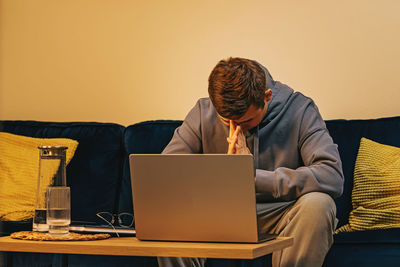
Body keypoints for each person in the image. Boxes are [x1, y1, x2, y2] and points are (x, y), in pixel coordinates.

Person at [158, 57, 344, 267]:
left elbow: (332, 175)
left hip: (280, 212)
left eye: (246, 121)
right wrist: (224, 175)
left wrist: (252, 177)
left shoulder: (300, 110)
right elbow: (166, 174)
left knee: (319, 204)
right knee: (171, 215)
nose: (235, 129)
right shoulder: (203, 111)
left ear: (266, 97)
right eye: (226, 121)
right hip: (219, 214)